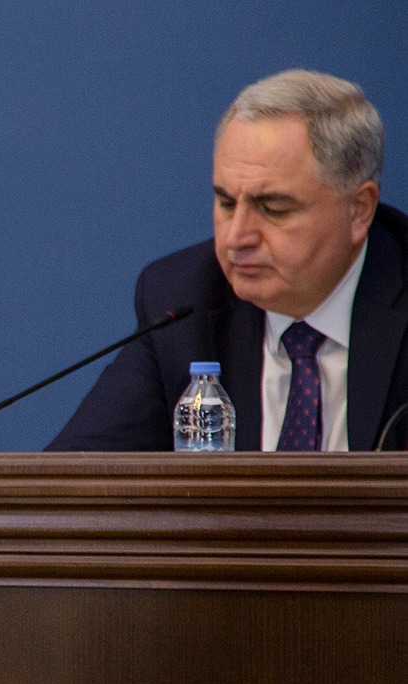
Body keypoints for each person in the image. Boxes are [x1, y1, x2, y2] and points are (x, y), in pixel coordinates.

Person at [48, 70, 408, 451]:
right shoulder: (183, 300)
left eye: (273, 208)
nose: (237, 238)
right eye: (226, 203)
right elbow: (72, 475)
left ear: (358, 209)